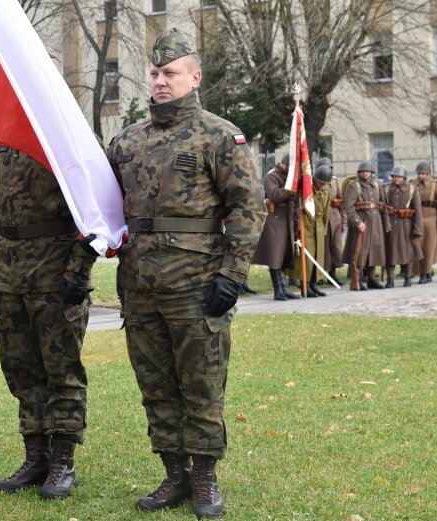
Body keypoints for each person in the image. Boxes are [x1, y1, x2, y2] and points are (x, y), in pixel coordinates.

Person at [106, 29, 265, 517]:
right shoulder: (126, 141)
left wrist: (232, 275)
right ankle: (174, 475)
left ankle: (205, 478)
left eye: (170, 73)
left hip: (197, 285)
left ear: (194, 77)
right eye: (154, 73)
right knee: (155, 385)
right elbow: (103, 211)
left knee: (200, 383)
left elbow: (248, 207)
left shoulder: (219, 135)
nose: (160, 81)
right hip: (139, 286)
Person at [0, 49, 97, 500]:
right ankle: (36, 455)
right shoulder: (3, 138)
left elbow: (93, 213)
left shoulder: (71, 136)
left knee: (61, 368)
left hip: (55, 269)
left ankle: (63, 460)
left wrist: (78, 273)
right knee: (20, 368)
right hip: (11, 270)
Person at [251, 154, 300, 300]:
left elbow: (296, 201)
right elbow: (275, 194)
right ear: (284, 164)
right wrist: (290, 188)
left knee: (285, 253)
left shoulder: (290, 178)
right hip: (275, 219)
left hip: (288, 218)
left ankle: (284, 287)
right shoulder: (272, 176)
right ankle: (278, 289)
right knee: (275, 255)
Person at [342, 161, 390, 290]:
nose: (365, 173)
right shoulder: (354, 186)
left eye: (367, 171)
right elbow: (349, 206)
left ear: (372, 173)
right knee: (359, 252)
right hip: (361, 221)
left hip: (376, 222)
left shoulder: (377, 185)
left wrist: (387, 223)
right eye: (362, 171)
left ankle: (372, 279)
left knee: (374, 251)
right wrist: (357, 221)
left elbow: (383, 205)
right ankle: (356, 278)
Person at [285, 165, 332, 296]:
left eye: (324, 183)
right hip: (306, 225)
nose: (322, 185)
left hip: (319, 226)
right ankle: (304, 287)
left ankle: (313, 284)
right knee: (307, 259)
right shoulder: (306, 189)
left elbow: (326, 210)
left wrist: (325, 227)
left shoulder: (327, 190)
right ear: (314, 179)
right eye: (320, 182)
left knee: (318, 257)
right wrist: (297, 229)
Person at [384, 165, 423, 287]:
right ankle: (390, 279)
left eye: (399, 177)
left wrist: (417, 228)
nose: (397, 179)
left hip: (406, 225)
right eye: (395, 176)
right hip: (391, 224)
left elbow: (417, 210)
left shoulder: (412, 189)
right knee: (390, 253)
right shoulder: (386, 189)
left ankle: (408, 277)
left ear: (404, 177)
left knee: (407, 253)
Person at [319, 158, 346, 285]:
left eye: (329, 168)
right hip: (321, 217)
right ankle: (319, 275)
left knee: (335, 247)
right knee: (321, 248)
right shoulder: (315, 181)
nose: (327, 171)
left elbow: (341, 202)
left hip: (335, 218)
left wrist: (344, 220)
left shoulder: (334, 181)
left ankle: (333, 274)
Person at [410, 161, 437, 283]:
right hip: (417, 217)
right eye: (419, 173)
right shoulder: (412, 184)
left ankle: (426, 272)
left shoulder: (435, 184)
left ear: (428, 174)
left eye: (423, 173)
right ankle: (419, 271)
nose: (420, 176)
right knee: (417, 246)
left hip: (431, 217)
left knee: (429, 247)